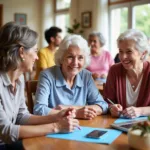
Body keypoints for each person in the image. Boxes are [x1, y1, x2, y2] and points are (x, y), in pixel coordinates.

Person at [0, 22, 79, 148]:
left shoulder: (18, 78)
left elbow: (21, 117)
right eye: (35, 51)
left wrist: (56, 117)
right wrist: (56, 126)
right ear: (21, 52)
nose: (37, 57)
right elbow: (6, 132)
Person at [33, 34, 108, 120]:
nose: (75, 63)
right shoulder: (47, 75)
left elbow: (103, 105)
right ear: (61, 58)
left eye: (80, 58)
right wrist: (76, 113)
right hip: (56, 128)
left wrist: (69, 108)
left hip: (83, 127)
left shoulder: (86, 76)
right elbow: (39, 110)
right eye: (70, 57)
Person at [104, 29, 150, 118]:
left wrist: (140, 111)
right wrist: (112, 108)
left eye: (129, 51)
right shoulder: (115, 70)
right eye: (121, 51)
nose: (123, 57)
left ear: (143, 53)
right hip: (119, 125)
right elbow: (107, 101)